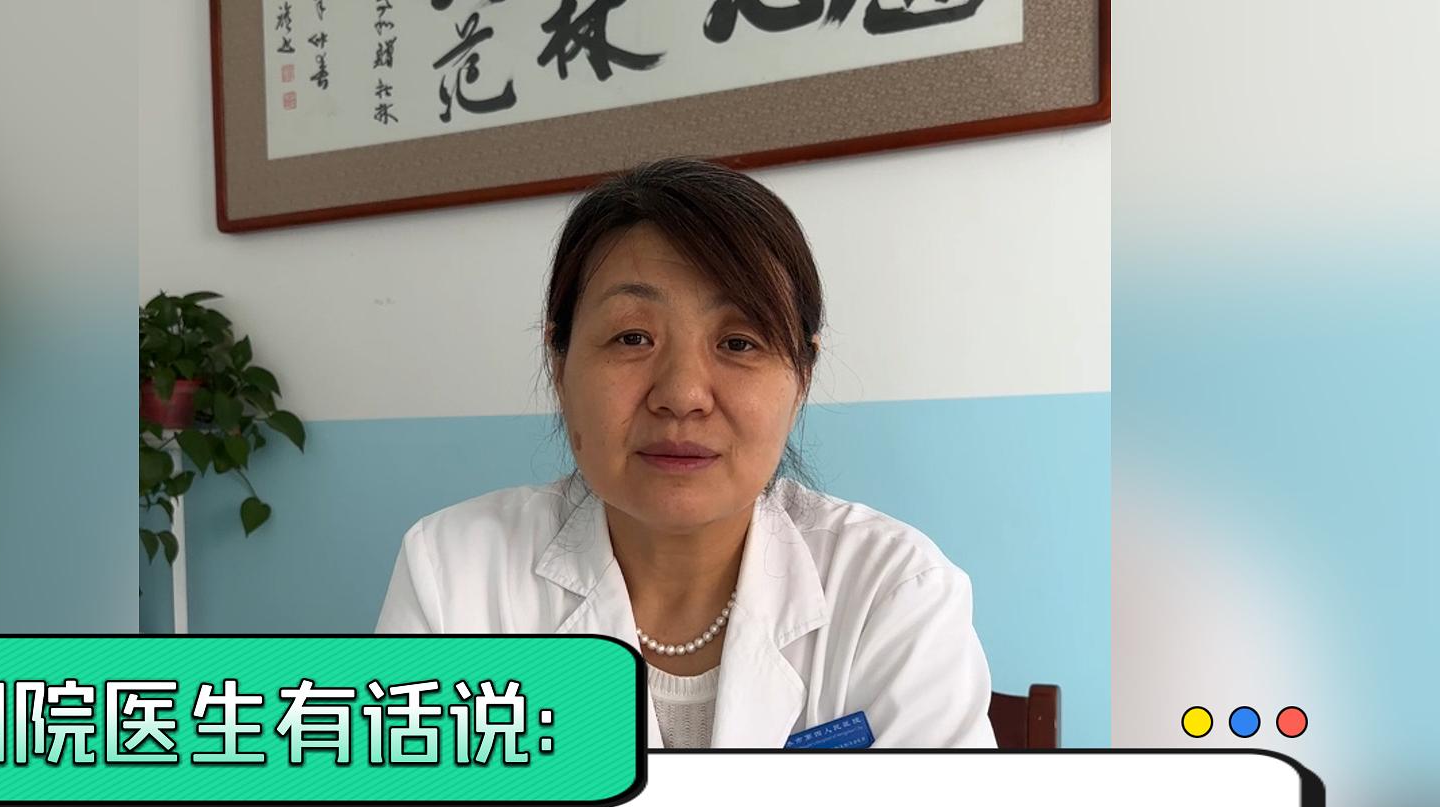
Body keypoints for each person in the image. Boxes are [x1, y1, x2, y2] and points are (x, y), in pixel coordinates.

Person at [376, 158, 994, 750]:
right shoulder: (454, 573)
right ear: (559, 364)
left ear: (802, 376)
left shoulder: (893, 592)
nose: (682, 395)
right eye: (632, 337)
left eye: (739, 342)